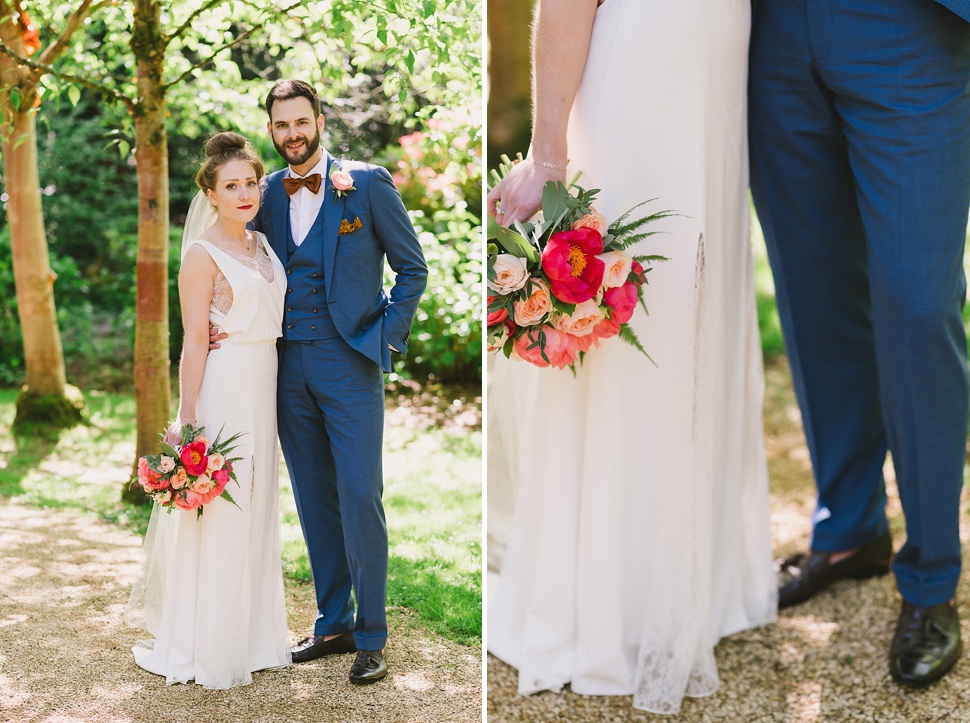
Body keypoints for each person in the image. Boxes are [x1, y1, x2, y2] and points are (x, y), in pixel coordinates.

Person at [486, 0, 776, 715]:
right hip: (640, 90)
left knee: (697, 313)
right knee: (645, 322)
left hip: (712, 91)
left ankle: (692, 586)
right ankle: (610, 600)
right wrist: (547, 155)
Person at [748, 0, 970, 686]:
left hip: (909, 27)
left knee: (916, 303)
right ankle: (850, 529)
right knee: (814, 297)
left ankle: (932, 576)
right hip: (772, 30)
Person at [238, 79, 427, 685]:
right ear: (271, 131)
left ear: (319, 119)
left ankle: (372, 633)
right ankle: (334, 622)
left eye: (301, 121)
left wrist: (385, 337)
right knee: (314, 498)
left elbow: (412, 269)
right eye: (281, 125)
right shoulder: (264, 193)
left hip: (350, 363)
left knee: (359, 495)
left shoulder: (366, 184)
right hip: (286, 365)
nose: (292, 133)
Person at [126, 132, 291, 688]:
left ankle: (252, 638)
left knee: (259, 507)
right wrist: (188, 417)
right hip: (223, 390)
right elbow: (195, 340)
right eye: (232, 185)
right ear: (211, 193)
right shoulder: (201, 255)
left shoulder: (265, 245)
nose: (245, 193)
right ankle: (208, 643)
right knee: (224, 512)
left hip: (264, 385)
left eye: (251, 183)